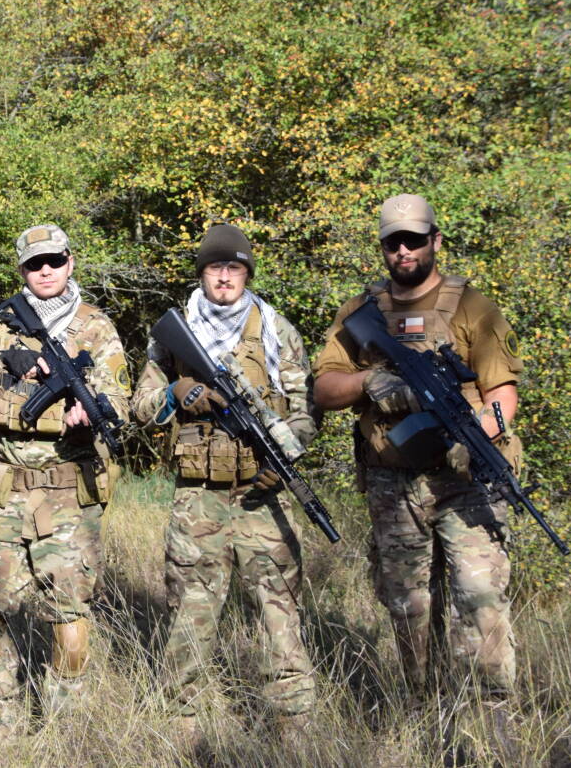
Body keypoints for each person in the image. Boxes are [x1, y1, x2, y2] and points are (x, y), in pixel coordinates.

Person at [312, 193, 523, 708]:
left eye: (413, 240)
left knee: (480, 598)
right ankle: (423, 711)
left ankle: (493, 717)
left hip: (465, 481)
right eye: (393, 243)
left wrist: (474, 436)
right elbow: (324, 389)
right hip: (393, 485)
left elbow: (503, 395)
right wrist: (370, 381)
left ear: (435, 241)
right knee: (409, 607)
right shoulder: (360, 313)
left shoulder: (473, 307)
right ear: (383, 248)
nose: (403, 250)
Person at [130, 224, 319, 738]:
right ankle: (182, 721)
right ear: (202, 273)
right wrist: (176, 393)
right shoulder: (172, 335)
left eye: (235, 268)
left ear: (247, 273)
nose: (225, 277)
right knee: (191, 609)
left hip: (262, 494)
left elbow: (304, 410)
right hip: (199, 497)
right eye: (215, 267)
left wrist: (286, 455)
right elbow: (140, 407)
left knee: (279, 607)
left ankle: (293, 722)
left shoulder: (277, 331)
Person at [0, 224, 130, 732]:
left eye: (54, 260)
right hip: (5, 490)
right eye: (34, 263)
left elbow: (120, 402)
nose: (45, 270)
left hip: (69, 489)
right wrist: (10, 367)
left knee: (69, 621)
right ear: (22, 270)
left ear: (70, 262)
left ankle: (64, 730)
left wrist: (91, 411)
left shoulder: (96, 327)